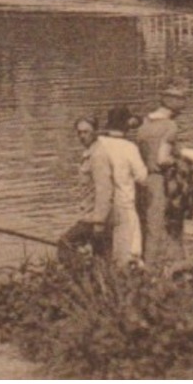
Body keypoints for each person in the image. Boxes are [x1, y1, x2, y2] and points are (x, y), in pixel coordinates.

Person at [87, 105, 147, 267]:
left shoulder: (98, 144)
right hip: (123, 204)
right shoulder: (129, 147)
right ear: (127, 127)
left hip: (99, 206)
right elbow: (142, 177)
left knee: (103, 250)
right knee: (128, 253)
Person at [134, 88, 184, 269]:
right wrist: (179, 161)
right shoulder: (170, 126)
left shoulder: (145, 123)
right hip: (159, 180)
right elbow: (162, 159)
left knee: (144, 223)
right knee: (160, 225)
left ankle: (141, 262)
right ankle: (153, 269)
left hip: (142, 180)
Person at [57, 116, 108, 258]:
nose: (82, 136)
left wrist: (99, 222)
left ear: (95, 132)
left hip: (94, 218)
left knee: (64, 243)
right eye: (79, 133)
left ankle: (70, 277)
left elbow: (104, 190)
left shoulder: (98, 156)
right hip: (88, 214)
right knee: (97, 254)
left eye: (86, 132)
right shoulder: (89, 154)